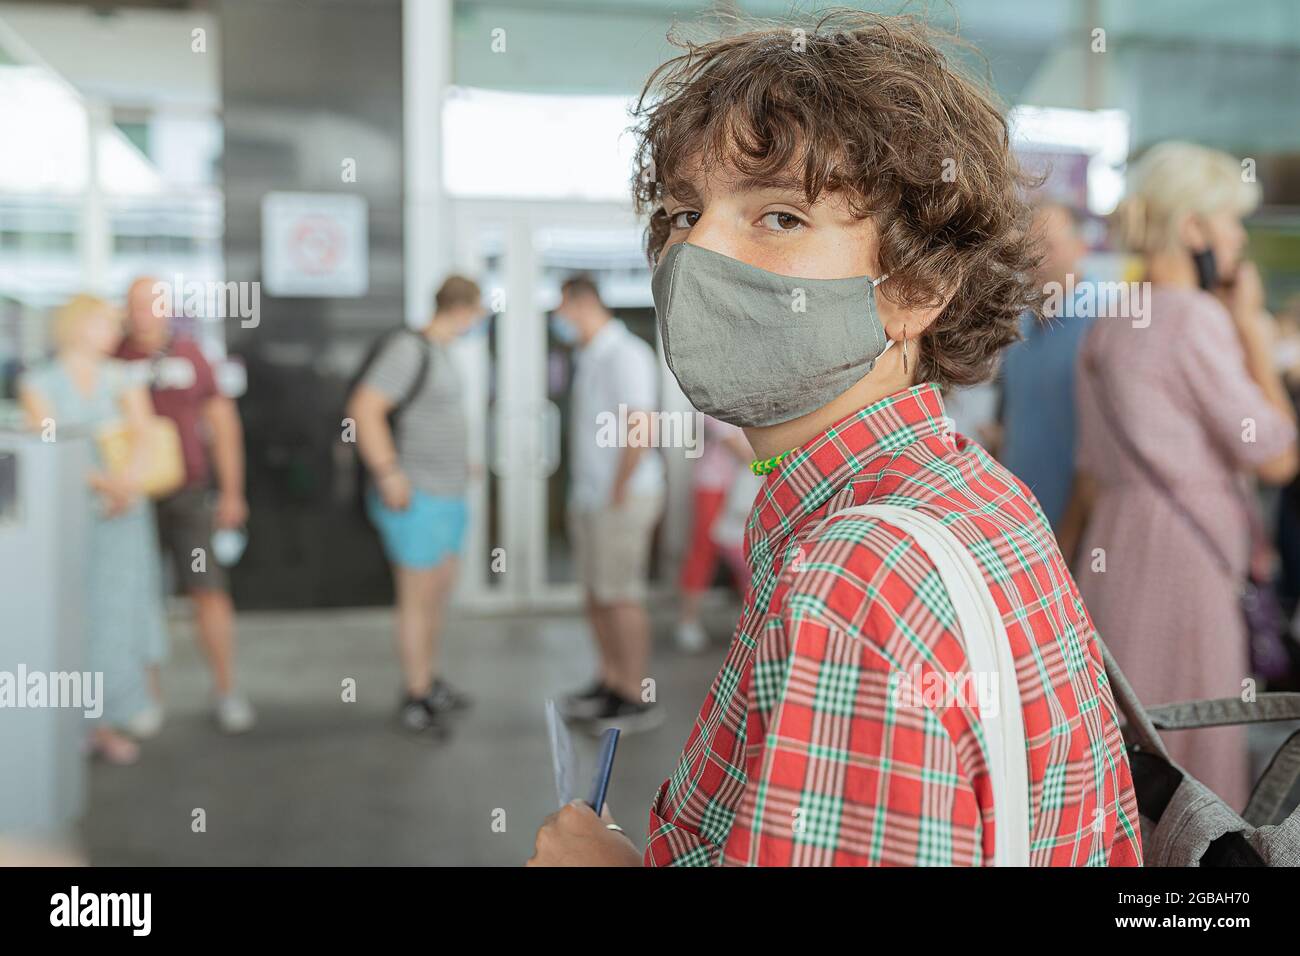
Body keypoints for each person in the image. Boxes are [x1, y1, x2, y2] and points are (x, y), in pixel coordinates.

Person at [530, 11, 1140, 866]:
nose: (694, 250)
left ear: (919, 287)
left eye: (779, 216)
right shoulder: (978, 493)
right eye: (682, 213)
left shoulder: (853, 584)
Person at [1059, 142, 1298, 809]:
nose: (1237, 239)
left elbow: (1088, 468)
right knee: (1196, 742)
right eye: (1229, 222)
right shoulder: (1197, 318)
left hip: (1114, 544)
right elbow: (1277, 452)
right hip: (1186, 560)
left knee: (1131, 740)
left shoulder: (1109, 320)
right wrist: (1250, 327)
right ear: (1193, 227)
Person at [19, 295, 169, 765]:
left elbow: (144, 433)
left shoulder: (123, 378)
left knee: (119, 612)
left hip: (123, 514)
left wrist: (126, 484)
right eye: (105, 323)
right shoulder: (38, 382)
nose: (113, 332)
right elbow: (47, 444)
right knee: (71, 614)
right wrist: (105, 483)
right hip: (72, 513)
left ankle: (107, 720)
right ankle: (72, 724)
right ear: (78, 325)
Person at [347, 275, 485, 732]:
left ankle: (429, 681)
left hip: (447, 493)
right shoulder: (410, 348)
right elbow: (364, 408)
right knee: (416, 598)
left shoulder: (442, 351)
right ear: (464, 309)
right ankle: (415, 695)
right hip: (417, 496)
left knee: (437, 593)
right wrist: (389, 472)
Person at [117, 277, 255, 735]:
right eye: (136, 304)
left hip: (189, 494)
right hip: (131, 500)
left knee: (208, 591)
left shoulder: (192, 355)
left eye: (152, 304)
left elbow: (224, 424)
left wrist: (232, 492)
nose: (143, 313)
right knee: (138, 598)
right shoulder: (113, 356)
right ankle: (145, 697)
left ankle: (226, 690)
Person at [554, 274, 666, 732]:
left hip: (623, 495)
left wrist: (619, 488)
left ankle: (635, 694)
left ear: (581, 303)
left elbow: (640, 424)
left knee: (620, 595)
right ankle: (610, 680)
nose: (560, 320)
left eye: (562, 308)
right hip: (591, 495)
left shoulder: (626, 354)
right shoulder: (590, 355)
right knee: (597, 594)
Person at [997, 201, 1092, 528]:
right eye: (1029, 248)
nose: (1035, 260)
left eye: (1048, 247)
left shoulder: (1099, 326)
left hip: (1070, 530)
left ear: (1081, 248)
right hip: (1019, 521)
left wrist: (1069, 536)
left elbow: (1096, 449)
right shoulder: (1020, 325)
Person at [674, 415, 752, 652]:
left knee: (747, 552)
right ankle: (687, 621)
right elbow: (741, 449)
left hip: (744, 484)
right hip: (714, 484)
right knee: (704, 550)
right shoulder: (717, 402)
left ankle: (747, 622)